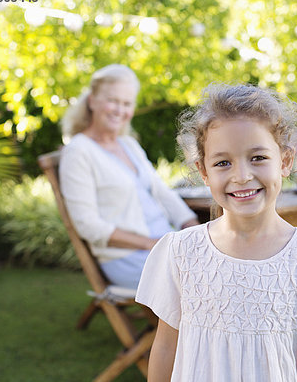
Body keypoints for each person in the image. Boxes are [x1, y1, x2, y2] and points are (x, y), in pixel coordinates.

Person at [136, 84, 297, 382]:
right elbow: (164, 348)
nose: (241, 176)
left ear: (285, 161)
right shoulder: (179, 253)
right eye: (223, 163)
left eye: (258, 158)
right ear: (204, 171)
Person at [59, 64, 199, 289]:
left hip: (163, 246)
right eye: (112, 101)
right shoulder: (78, 151)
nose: (119, 110)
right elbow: (88, 224)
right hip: (128, 257)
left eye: (127, 104)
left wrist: (192, 227)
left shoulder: (128, 144)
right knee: (204, 280)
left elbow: (162, 193)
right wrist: (150, 244)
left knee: (219, 264)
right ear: (92, 100)